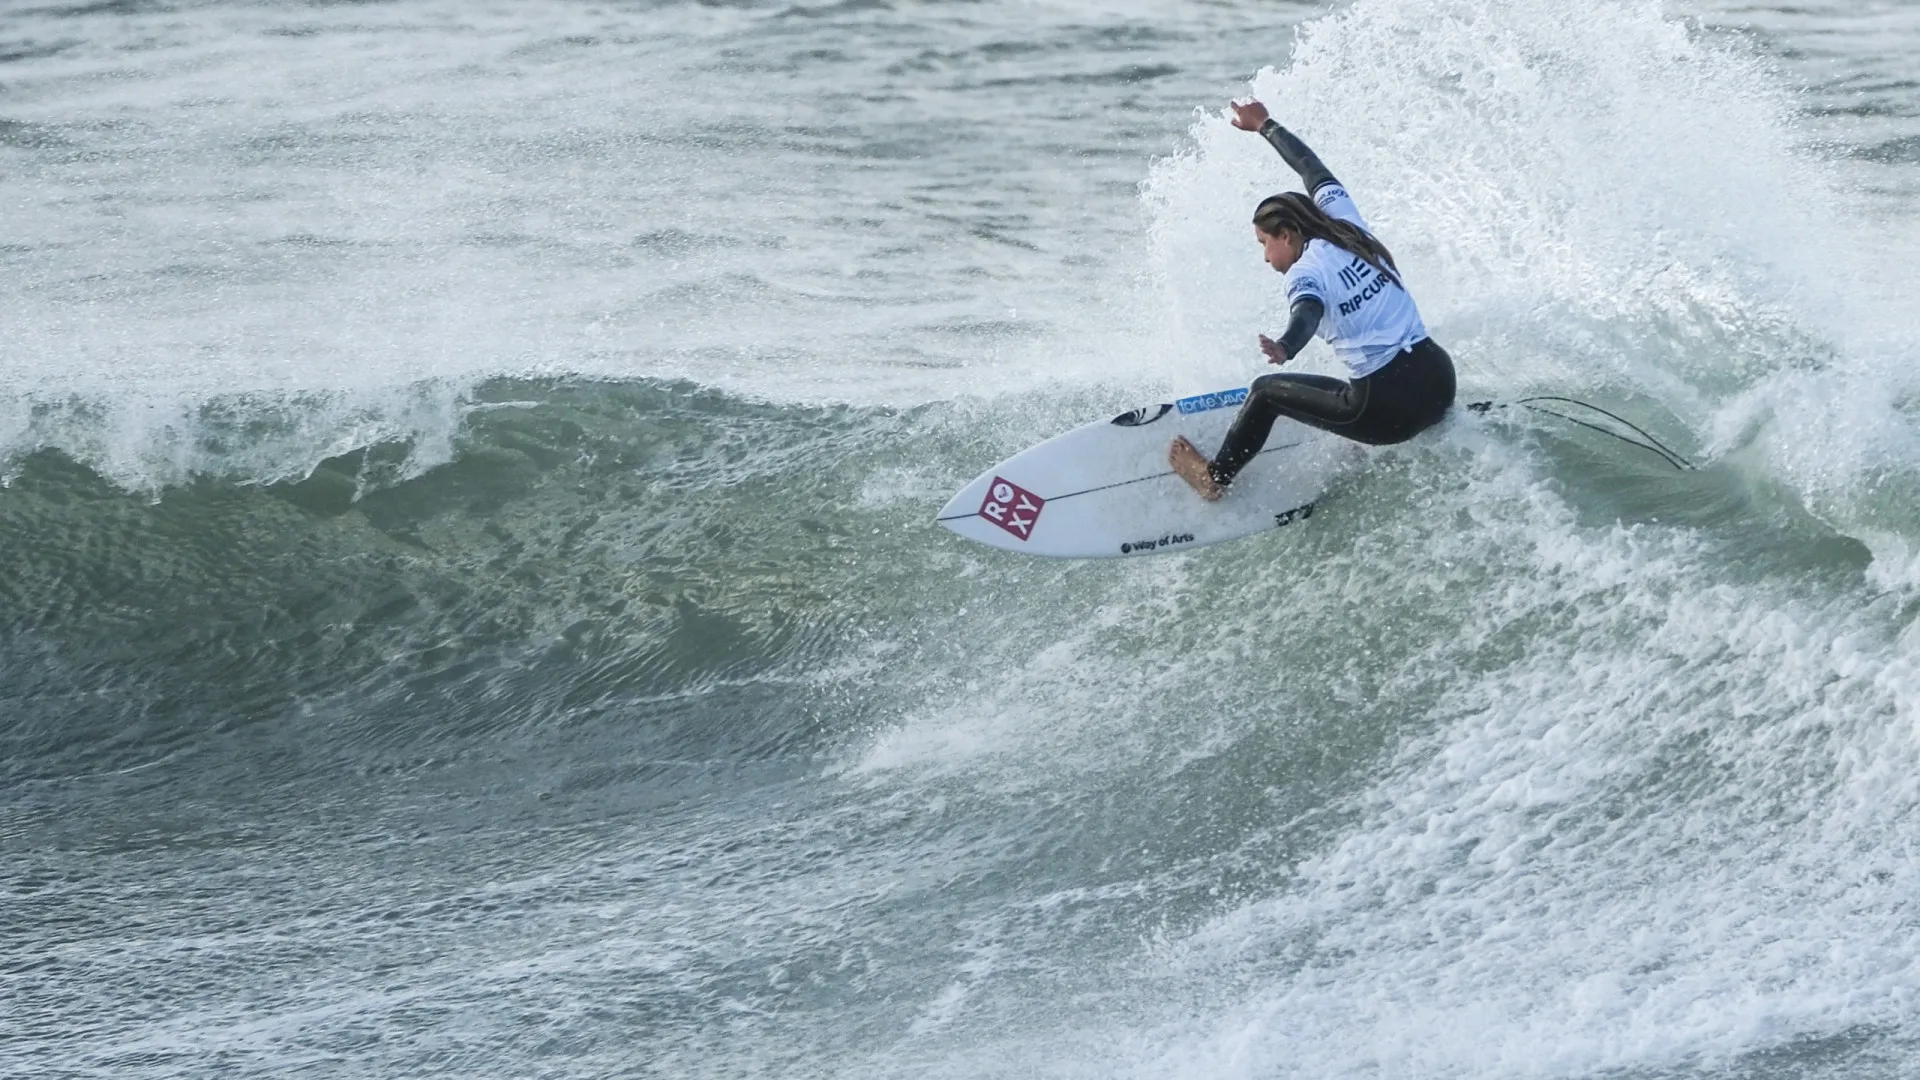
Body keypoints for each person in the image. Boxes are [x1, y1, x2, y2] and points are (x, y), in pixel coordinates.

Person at [1168, 99, 1457, 501]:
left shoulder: (1305, 272)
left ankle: (1214, 478)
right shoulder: (1345, 222)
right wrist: (1265, 125)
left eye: (1265, 244)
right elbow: (1311, 168)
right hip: (1440, 382)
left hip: (1388, 414)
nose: (1266, 257)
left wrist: (1287, 345)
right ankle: (1353, 442)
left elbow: (1308, 312)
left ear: (1286, 234)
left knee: (1266, 391)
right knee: (1348, 384)